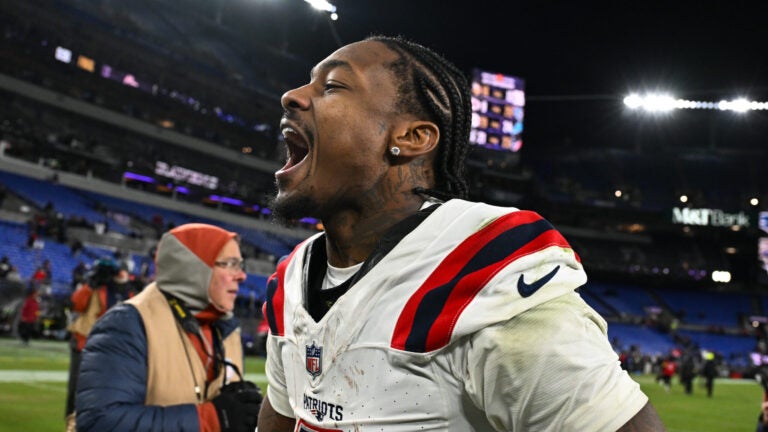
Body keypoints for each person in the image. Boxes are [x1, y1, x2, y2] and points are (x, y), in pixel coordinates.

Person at [258, 35, 664, 431]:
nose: (292, 95)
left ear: (412, 138)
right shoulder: (292, 279)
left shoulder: (482, 273)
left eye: (332, 86)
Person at [75, 223, 262, 431]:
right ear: (193, 268)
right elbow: (100, 422)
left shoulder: (226, 329)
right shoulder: (127, 323)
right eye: (230, 264)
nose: (241, 275)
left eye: (240, 265)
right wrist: (212, 419)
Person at [65, 258, 136, 431]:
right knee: (78, 391)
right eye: (119, 270)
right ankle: (72, 426)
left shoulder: (133, 293)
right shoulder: (98, 289)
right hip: (88, 345)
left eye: (123, 270)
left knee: (111, 394)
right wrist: (90, 284)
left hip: (117, 349)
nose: (121, 274)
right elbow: (76, 304)